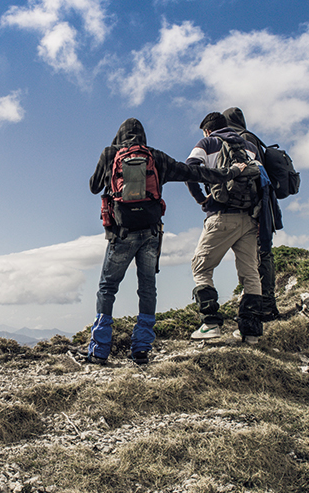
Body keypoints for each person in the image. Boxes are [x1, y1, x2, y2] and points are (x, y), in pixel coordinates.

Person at [88, 117, 247, 364]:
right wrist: (232, 172)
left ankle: (99, 350)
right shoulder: (156, 157)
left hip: (121, 233)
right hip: (150, 234)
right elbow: (196, 172)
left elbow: (94, 186)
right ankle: (141, 348)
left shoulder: (111, 153)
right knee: (147, 288)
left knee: (107, 287)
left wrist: (111, 156)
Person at [184, 112, 264, 344]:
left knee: (201, 267)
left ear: (207, 130)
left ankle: (210, 324)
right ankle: (251, 332)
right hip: (249, 217)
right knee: (250, 272)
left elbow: (190, 169)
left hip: (221, 215)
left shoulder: (207, 143)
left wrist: (202, 199)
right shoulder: (249, 146)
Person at [223, 107, 284, 322]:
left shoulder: (242, 139)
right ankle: (264, 303)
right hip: (264, 204)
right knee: (260, 253)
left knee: (260, 253)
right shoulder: (252, 137)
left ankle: (265, 306)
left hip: (257, 207)